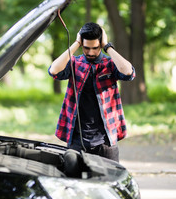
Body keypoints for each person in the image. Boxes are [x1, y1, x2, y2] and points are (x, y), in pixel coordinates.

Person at [48, 22, 135, 162]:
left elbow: (129, 73)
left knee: (110, 183)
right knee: (74, 183)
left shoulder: (110, 64)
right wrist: (76, 43)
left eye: (95, 48)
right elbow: (53, 71)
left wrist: (108, 46)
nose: (91, 52)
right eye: (86, 48)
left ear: (100, 44)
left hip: (106, 141)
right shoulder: (74, 63)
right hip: (76, 140)